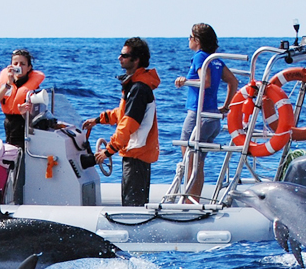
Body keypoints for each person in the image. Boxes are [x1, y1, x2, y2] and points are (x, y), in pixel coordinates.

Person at [83, 37, 160, 207]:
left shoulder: (139, 89)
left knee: (133, 204)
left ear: (136, 59)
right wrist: (98, 120)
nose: (120, 58)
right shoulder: (135, 87)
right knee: (135, 201)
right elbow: (123, 113)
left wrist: (108, 151)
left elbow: (128, 124)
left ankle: (134, 231)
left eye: (124, 55)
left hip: (136, 155)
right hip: (137, 154)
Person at [173, 23, 238, 202]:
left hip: (198, 116)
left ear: (197, 40)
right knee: (198, 163)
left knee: (189, 160)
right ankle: (194, 200)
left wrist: (185, 81)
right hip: (212, 118)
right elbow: (233, 81)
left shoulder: (200, 57)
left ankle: (188, 202)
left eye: (190, 36)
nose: (188, 39)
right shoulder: (215, 59)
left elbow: (206, 81)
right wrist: (225, 107)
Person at [0, 48, 44, 147]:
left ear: (29, 68)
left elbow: (37, 114)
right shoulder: (7, 83)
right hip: (9, 125)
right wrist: (8, 84)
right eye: (15, 64)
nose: (18, 67)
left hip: (24, 127)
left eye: (22, 64)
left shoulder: (33, 87)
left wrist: (25, 113)